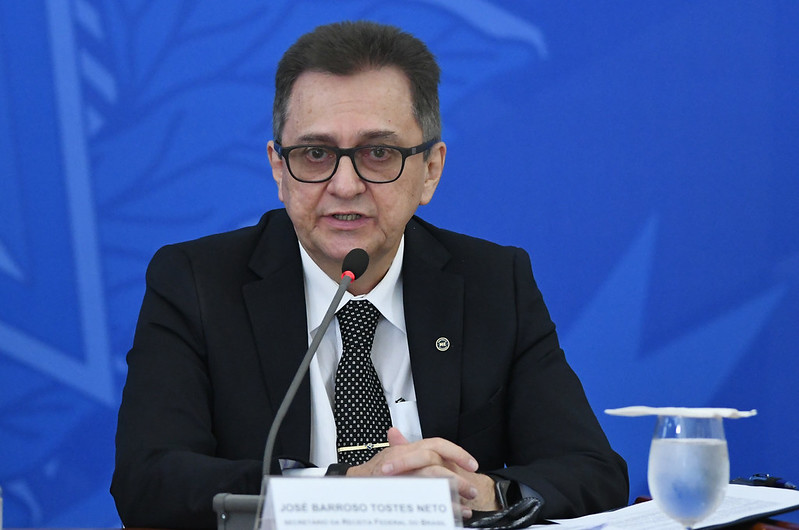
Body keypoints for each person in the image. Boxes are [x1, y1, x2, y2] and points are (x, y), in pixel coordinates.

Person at [111, 20, 628, 529]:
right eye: (315, 154)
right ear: (278, 169)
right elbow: (148, 481)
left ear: (430, 170)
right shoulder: (196, 282)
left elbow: (592, 472)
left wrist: (475, 492)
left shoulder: (493, 282)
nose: (345, 185)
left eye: (378, 153)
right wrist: (347, 491)